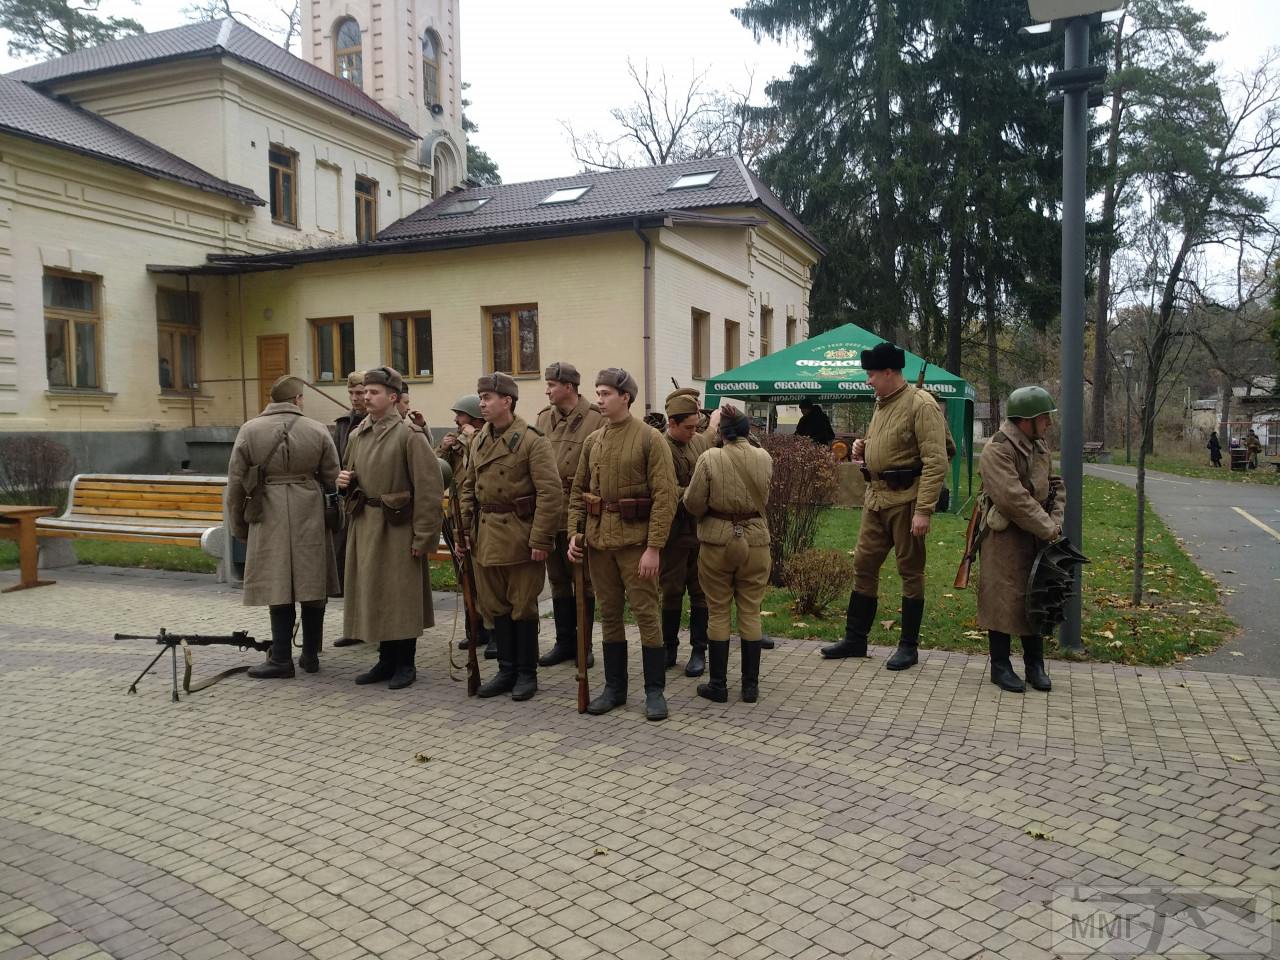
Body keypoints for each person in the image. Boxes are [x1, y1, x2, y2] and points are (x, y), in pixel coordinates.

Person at [821, 342, 947, 670]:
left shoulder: (921, 405)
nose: (868, 381)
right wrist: (865, 446)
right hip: (875, 498)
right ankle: (855, 639)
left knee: (910, 572)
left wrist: (924, 510)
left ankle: (909, 646)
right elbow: (891, 441)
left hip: (906, 501)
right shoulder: (882, 403)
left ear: (889, 372)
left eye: (872, 374)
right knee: (863, 565)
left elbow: (936, 461)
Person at [567, 367, 677, 721]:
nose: (599, 399)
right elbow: (577, 493)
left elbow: (665, 497)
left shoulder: (650, 438)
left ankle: (654, 691)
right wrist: (575, 533)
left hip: (636, 544)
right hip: (599, 545)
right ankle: (614, 688)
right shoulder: (593, 441)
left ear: (625, 397)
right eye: (597, 393)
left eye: (605, 393)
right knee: (609, 615)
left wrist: (654, 547)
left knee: (646, 614)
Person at [226, 375, 340, 678]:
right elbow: (331, 475)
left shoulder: (249, 430)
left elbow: (236, 482)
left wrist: (239, 525)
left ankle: (280, 659)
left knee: (279, 584)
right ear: (297, 399)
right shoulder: (317, 429)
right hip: (309, 508)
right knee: (313, 582)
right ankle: (311, 655)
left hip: (267, 510)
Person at [337, 367, 443, 690]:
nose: (366, 397)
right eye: (365, 392)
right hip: (366, 524)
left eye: (374, 392)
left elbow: (429, 489)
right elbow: (351, 475)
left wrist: (424, 536)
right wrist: (343, 482)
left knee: (400, 594)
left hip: (398, 527)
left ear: (393, 397)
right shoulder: (357, 435)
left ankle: (405, 663)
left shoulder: (408, 436)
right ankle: (385, 660)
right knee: (375, 592)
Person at [458, 372, 562, 701]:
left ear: (507, 401)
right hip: (486, 534)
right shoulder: (479, 440)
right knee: (495, 607)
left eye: (487, 397)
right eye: (480, 397)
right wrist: (464, 528)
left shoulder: (532, 439)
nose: (481, 404)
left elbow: (550, 493)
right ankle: (506, 670)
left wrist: (541, 540)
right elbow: (468, 487)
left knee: (523, 608)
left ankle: (526, 673)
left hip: (520, 535)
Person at [976, 386, 1065, 693]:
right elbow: (1012, 498)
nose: (1049, 424)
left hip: (1037, 534)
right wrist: (1047, 527)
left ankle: (1034, 665)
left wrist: (1055, 520)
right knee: (1001, 600)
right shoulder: (998, 449)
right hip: (1004, 537)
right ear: (1026, 420)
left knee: (1036, 597)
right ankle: (1000, 666)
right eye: (1044, 418)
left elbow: (1055, 485)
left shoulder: (1039, 446)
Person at [683, 404, 773, 703]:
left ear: (721, 433)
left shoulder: (710, 457)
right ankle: (750, 687)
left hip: (718, 542)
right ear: (748, 431)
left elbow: (693, 503)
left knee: (718, 610)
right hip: (756, 542)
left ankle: (718, 685)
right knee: (750, 610)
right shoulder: (764, 457)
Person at [534, 362, 606, 667]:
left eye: (552, 384)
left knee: (583, 580)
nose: (547, 390)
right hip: (551, 511)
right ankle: (564, 642)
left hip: (580, 511)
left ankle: (584, 645)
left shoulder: (596, 419)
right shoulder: (542, 419)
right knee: (558, 580)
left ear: (569, 387)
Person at [660, 387, 714, 677]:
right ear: (672, 424)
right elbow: (666, 490)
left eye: (697, 427)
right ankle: (669, 647)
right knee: (671, 591)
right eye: (688, 428)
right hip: (673, 532)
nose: (694, 432)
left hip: (699, 530)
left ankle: (698, 649)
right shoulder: (661, 446)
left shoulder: (697, 443)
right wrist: (696, 495)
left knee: (700, 591)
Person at [331, 370, 366, 647]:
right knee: (350, 568)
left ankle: (380, 629)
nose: (356, 398)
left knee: (374, 570)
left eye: (361, 392)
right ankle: (354, 627)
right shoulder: (343, 425)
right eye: (352, 393)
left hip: (375, 506)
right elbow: (334, 461)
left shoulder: (384, 422)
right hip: (348, 505)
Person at [436, 394, 484, 480]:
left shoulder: (488, 439)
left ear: (475, 417)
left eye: (460, 415)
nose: (455, 419)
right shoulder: (456, 441)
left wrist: (473, 436)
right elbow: (435, 471)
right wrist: (443, 450)